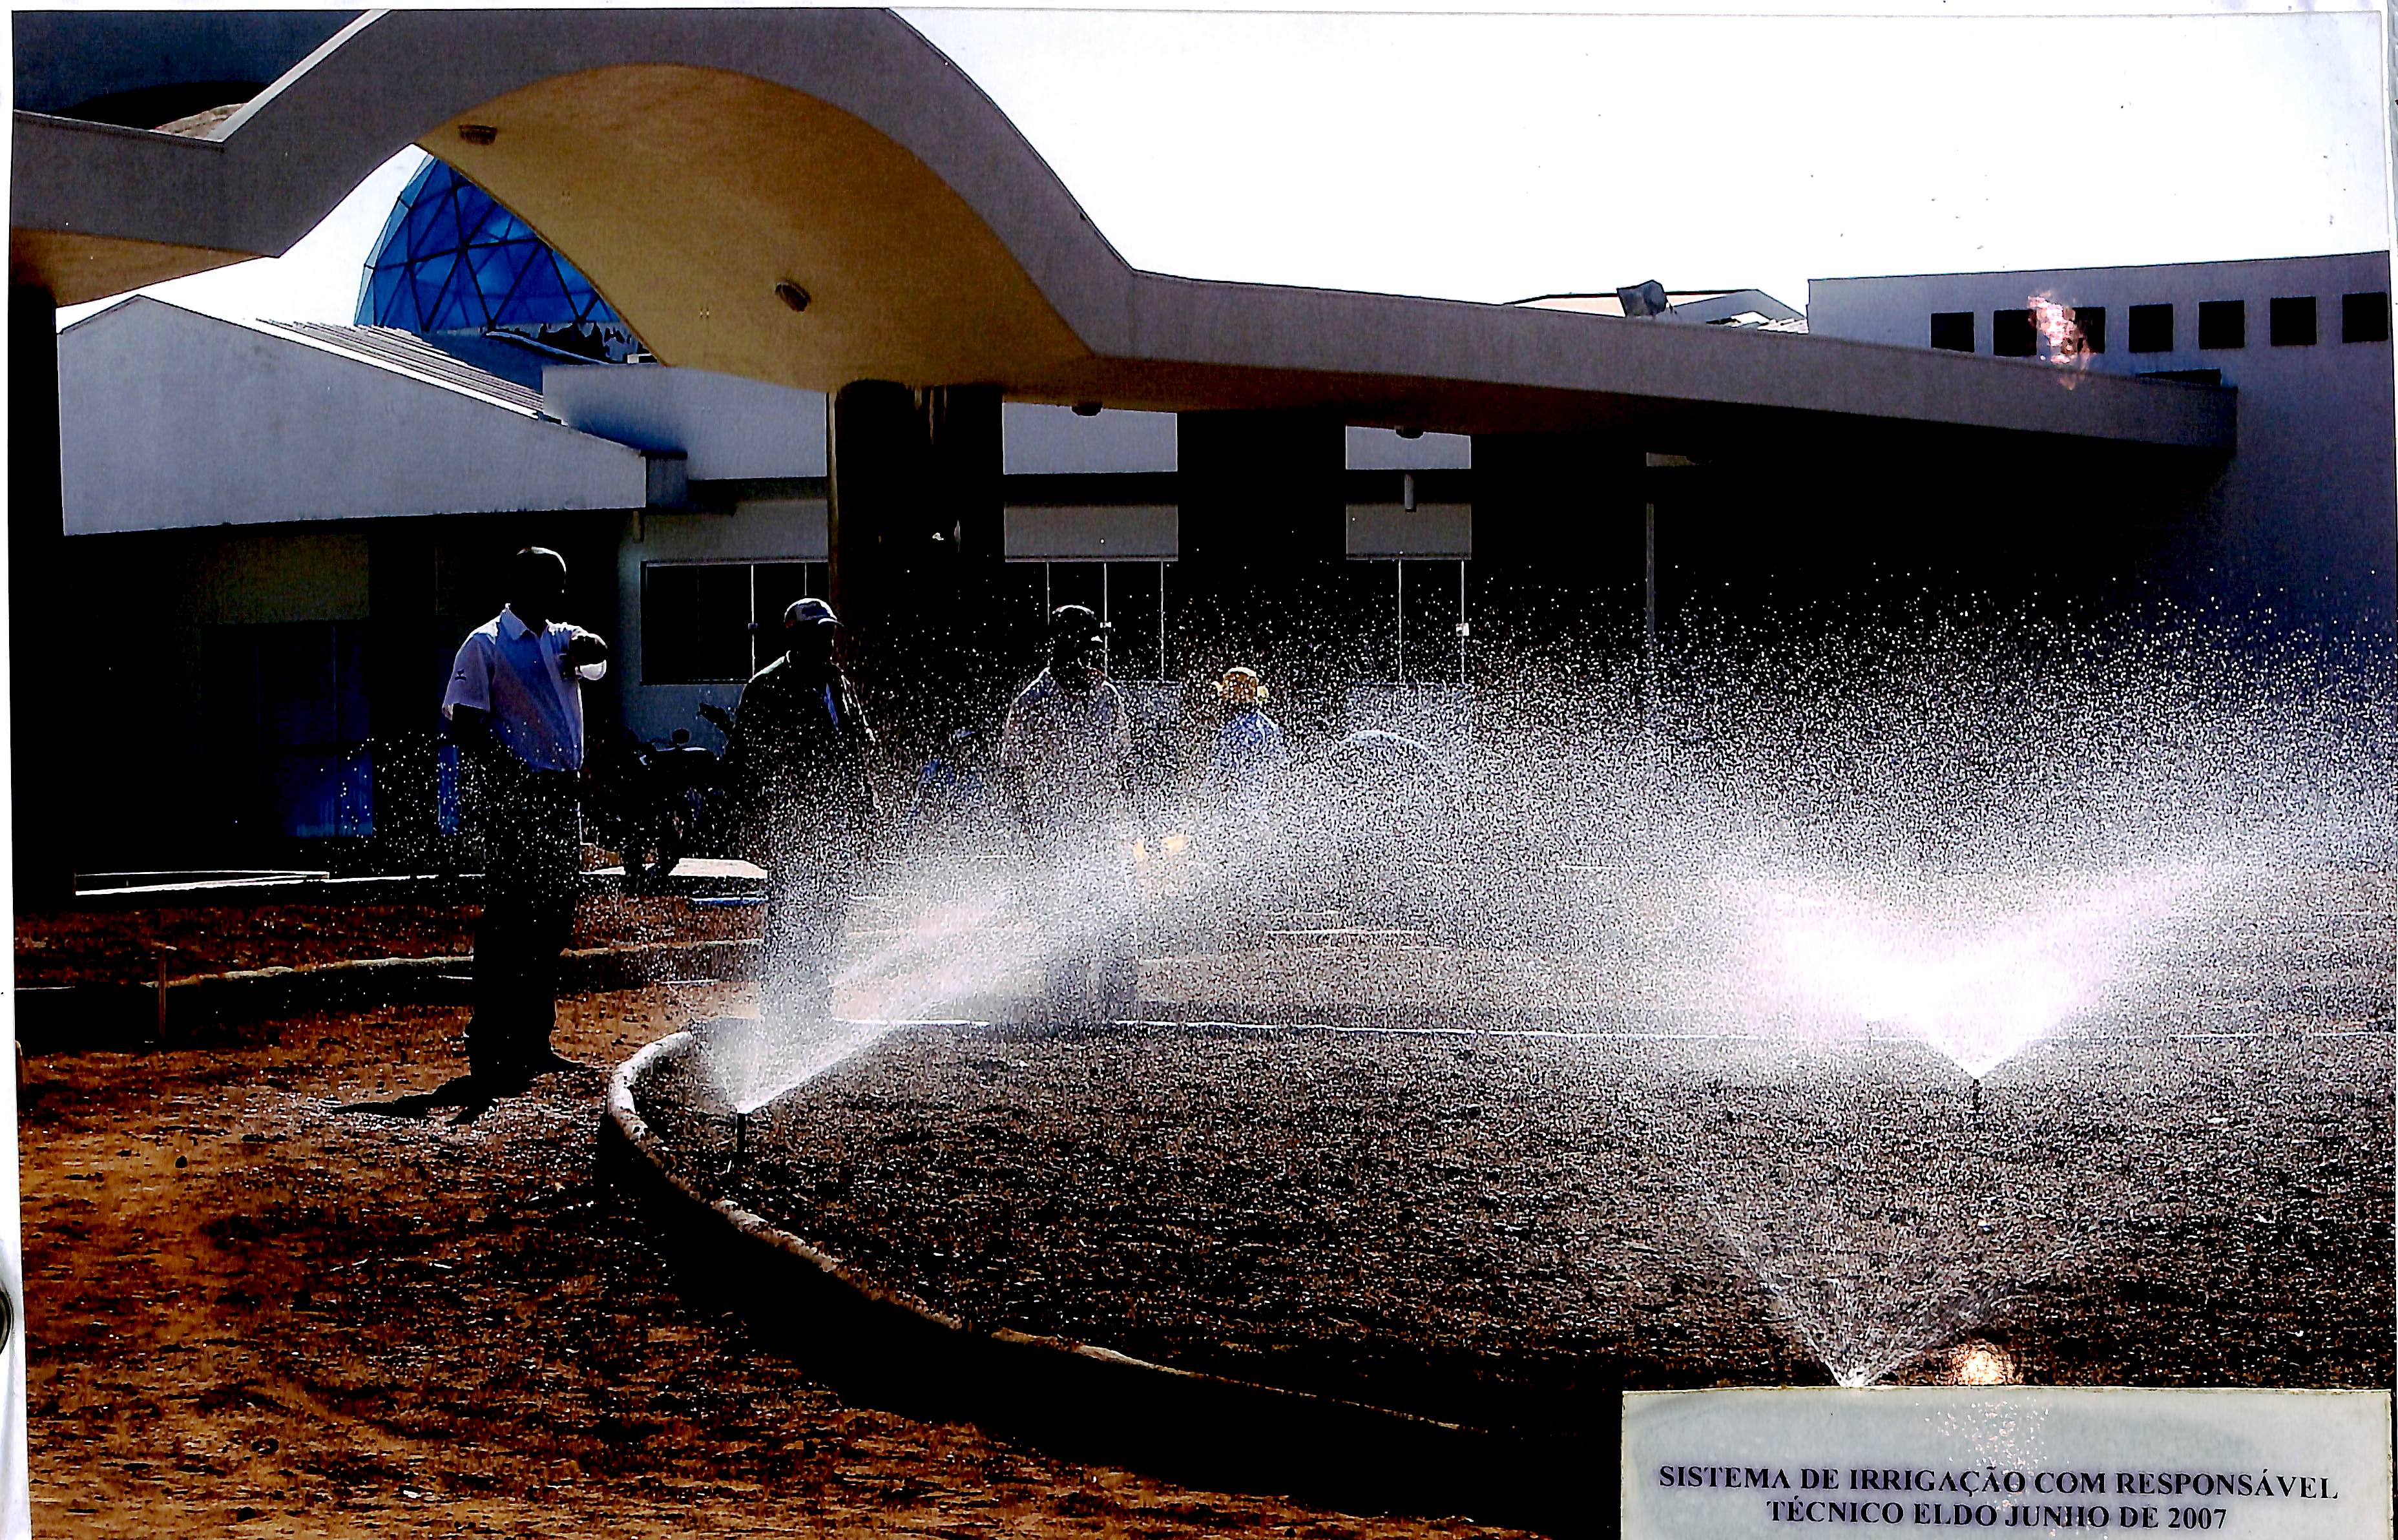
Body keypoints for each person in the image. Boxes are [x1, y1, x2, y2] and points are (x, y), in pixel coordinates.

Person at [442, 546, 609, 1092]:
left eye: (560, 586)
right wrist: (519, 778)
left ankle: (534, 1038)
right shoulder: (486, 644)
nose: (556, 595)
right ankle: (491, 1038)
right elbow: (465, 726)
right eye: (547, 583)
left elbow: (600, 660)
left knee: (553, 919)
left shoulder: (562, 637)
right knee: (510, 920)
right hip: (516, 802)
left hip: (562, 800)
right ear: (518, 584)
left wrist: (592, 644)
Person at [722, 598, 877, 1022]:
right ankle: (781, 1013)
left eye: (829, 634)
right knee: (790, 921)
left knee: (829, 917)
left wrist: (869, 812)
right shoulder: (766, 688)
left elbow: (854, 750)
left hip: (838, 826)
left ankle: (815, 1008)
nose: (826, 643)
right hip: (792, 828)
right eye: (816, 635)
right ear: (793, 637)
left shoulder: (837, 682)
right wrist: (752, 827)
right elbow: (740, 767)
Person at [999, 605, 1138, 1021]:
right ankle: (1064, 1000)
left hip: (1100, 831)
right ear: (1064, 648)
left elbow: (1125, 763)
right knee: (1061, 920)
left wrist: (1125, 816)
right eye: (1087, 648)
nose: (1095, 658)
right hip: (1052, 832)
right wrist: (1032, 829)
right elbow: (1011, 773)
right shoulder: (1031, 702)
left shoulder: (1107, 696)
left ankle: (1116, 1002)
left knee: (1114, 915)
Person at [1208, 666, 1292, 813]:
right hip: (1261, 805)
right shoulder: (1269, 726)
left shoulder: (1232, 730)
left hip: (1233, 807)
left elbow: (1220, 774)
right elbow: (1280, 770)